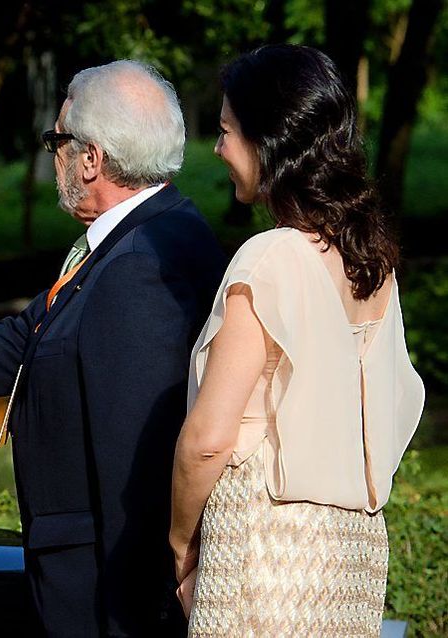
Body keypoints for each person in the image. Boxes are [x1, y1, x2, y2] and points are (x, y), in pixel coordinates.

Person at [0, 60, 226, 636]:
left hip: (105, 590)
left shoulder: (139, 267)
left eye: (58, 139)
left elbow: (135, 466)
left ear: (91, 158)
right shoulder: (136, 238)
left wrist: (127, 613)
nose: (53, 153)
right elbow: (24, 340)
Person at [170, 44, 425, 636]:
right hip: (353, 559)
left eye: (228, 130)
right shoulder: (373, 265)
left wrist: (181, 543)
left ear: (272, 141)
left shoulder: (271, 258)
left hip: (263, 548)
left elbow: (208, 439)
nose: (218, 149)